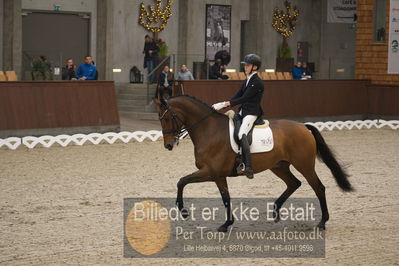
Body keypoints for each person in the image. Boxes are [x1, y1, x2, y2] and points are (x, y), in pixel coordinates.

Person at [212, 54, 264, 179]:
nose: (245, 67)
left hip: (251, 113)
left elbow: (244, 98)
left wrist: (226, 104)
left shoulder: (257, 82)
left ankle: (248, 166)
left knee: (241, 134)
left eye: (248, 65)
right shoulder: (247, 80)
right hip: (243, 111)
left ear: (255, 67)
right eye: (245, 65)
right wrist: (224, 104)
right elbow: (237, 96)